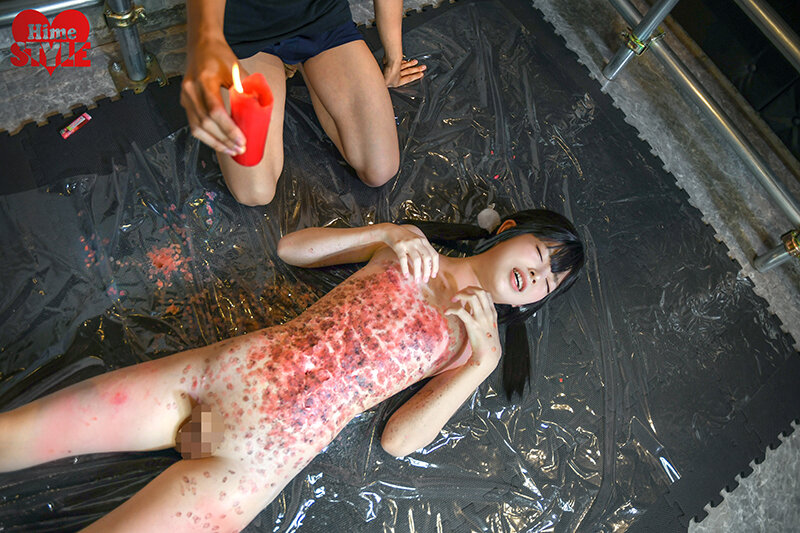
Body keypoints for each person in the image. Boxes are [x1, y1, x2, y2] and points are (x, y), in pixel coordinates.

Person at [0, 209, 584, 532]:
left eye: (548, 282)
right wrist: (388, 232)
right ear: (507, 229)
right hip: (224, 377)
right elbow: (292, 249)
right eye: (539, 255)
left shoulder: (474, 350)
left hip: (256, 458)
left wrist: (480, 365)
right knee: (15, 435)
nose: (537, 276)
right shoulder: (413, 248)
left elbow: (400, 442)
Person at [180, 0, 426, 206]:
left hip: (322, 22)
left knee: (380, 169)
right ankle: (297, 66)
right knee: (255, 192)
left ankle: (307, 66)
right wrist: (206, 47)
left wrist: (394, 59)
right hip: (245, 36)